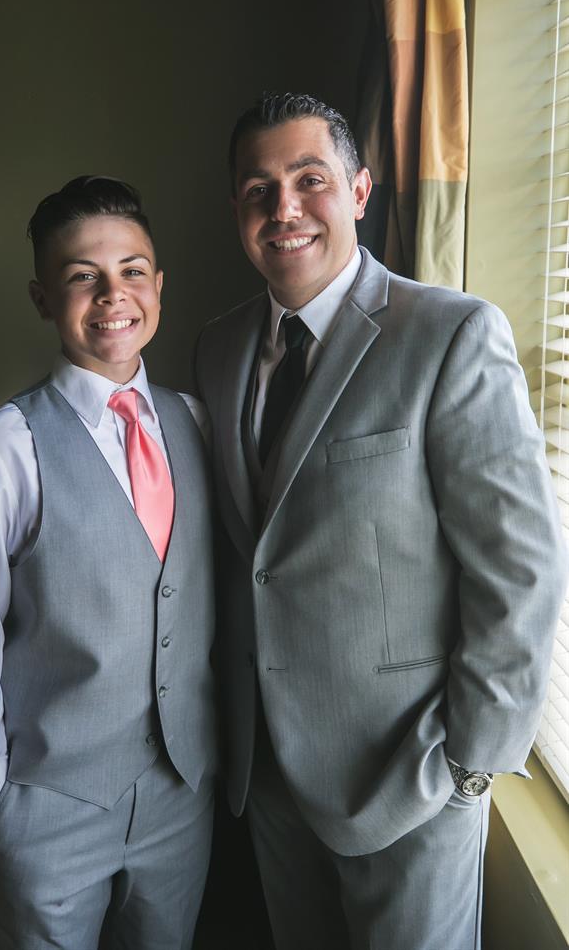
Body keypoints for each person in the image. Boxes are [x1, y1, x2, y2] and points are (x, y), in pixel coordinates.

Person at [194, 92, 567, 950]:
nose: (282, 209)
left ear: (360, 191)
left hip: (412, 782)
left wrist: (468, 768)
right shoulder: (216, 350)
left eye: (309, 179)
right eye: (258, 189)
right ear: (238, 211)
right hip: (271, 780)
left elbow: (521, 573)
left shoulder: (451, 335)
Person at [0, 176, 216, 950]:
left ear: (158, 285)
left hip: (179, 802)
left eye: (131, 271)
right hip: (44, 810)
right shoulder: (2, 449)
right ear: (43, 297)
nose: (111, 294)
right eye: (82, 276)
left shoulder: (195, 423)